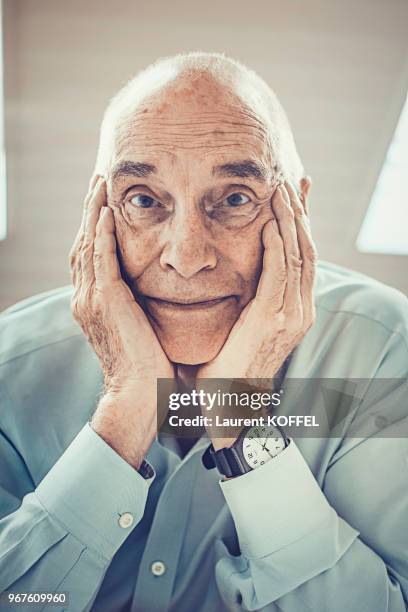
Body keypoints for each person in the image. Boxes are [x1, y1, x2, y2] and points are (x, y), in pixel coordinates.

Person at [0, 52, 407, 612]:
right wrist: (124, 410)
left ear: (298, 213)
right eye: (143, 200)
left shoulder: (383, 352)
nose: (187, 256)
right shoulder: (11, 365)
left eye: (235, 198)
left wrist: (241, 421)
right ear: (98, 214)